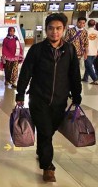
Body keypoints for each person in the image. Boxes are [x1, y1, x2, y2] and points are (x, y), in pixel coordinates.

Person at [16, 13, 82, 182]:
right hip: (39, 99)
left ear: (64, 30)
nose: (55, 32)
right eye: (51, 28)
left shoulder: (69, 50)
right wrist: (20, 93)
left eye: (58, 28)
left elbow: (74, 75)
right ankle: (48, 167)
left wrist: (76, 95)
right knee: (45, 132)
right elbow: (26, 72)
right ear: (46, 30)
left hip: (60, 101)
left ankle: (42, 151)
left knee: (49, 132)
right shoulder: (37, 50)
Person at [82, 19, 98, 85]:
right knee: (89, 65)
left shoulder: (85, 32)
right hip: (95, 51)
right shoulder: (97, 32)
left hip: (87, 52)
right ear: (94, 25)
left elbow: (83, 43)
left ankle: (95, 79)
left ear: (87, 24)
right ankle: (85, 78)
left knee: (88, 65)